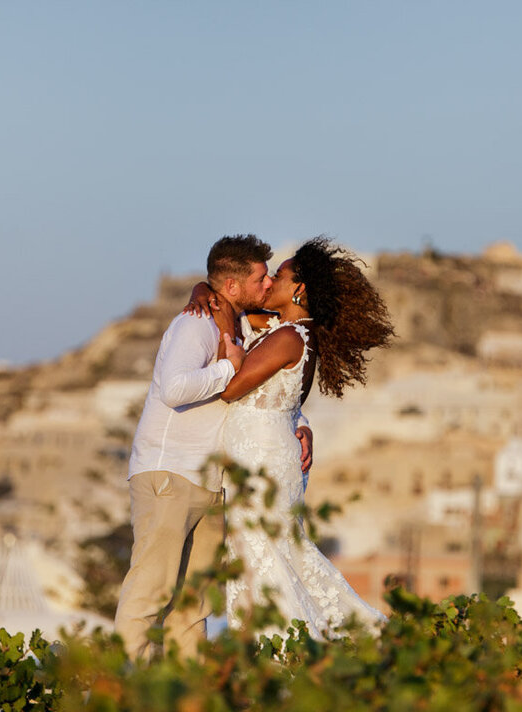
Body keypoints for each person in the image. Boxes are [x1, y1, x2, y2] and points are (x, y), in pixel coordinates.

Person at [114, 233, 312, 662]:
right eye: (261, 278)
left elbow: (267, 388)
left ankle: (187, 697)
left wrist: (301, 422)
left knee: (195, 602)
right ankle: (116, 694)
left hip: (212, 481)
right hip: (170, 472)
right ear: (234, 286)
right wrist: (227, 368)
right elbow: (174, 388)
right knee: (152, 588)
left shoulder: (237, 324)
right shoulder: (195, 323)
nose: (267, 285)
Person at [211, 236, 395, 639]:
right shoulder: (288, 330)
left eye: (280, 274)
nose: (271, 279)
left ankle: (288, 653)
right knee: (270, 555)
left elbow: (230, 388)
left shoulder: (289, 337)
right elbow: (228, 300)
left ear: (299, 289)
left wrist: (229, 347)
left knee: (266, 558)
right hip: (262, 455)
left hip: (262, 461)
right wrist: (201, 291)